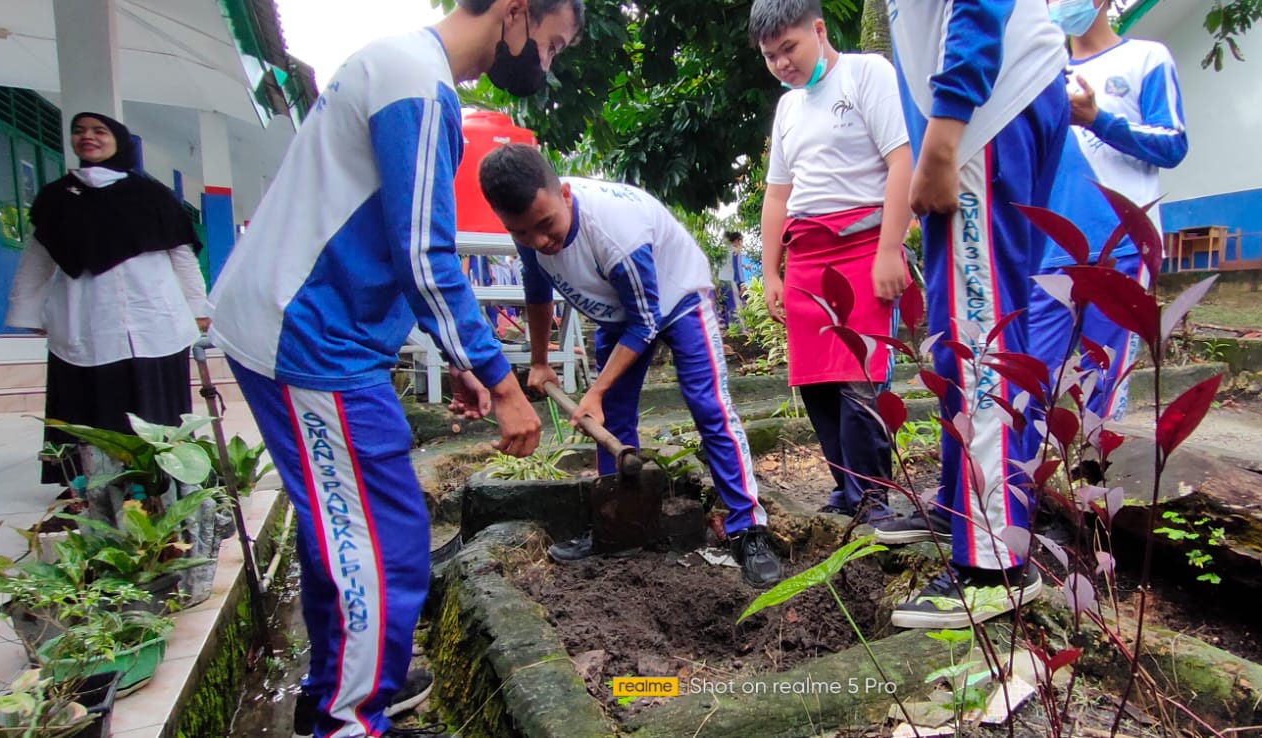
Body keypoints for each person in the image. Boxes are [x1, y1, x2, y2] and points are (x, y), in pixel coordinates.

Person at [206, 1, 582, 736]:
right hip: (310, 338)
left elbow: (379, 241)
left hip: (310, 329)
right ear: (514, 12)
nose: (547, 61)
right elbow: (424, 256)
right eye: (550, 42)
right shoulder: (417, 84)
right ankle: (350, 718)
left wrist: (461, 361)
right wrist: (503, 383)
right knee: (382, 537)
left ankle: (337, 688)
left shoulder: (402, 66)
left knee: (344, 527)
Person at [477, 143, 784, 588]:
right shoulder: (528, 233)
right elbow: (538, 291)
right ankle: (618, 526)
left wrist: (595, 390)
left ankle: (747, 530)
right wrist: (541, 362)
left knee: (708, 405)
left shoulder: (616, 232)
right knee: (613, 420)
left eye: (545, 226)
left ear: (564, 194)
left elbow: (645, 324)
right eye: (522, 233)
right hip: (618, 309)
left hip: (677, 296)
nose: (539, 241)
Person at [871, 0, 1070, 630]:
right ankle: (968, 515)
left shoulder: (968, 114)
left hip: (985, 115)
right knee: (980, 328)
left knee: (976, 334)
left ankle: (994, 565)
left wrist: (945, 131)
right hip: (1002, 102)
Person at [749, 0, 913, 523]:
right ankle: (846, 493)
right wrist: (770, 272)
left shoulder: (869, 73)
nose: (781, 64)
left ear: (818, 30)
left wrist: (890, 249)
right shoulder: (788, 108)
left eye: (789, 48)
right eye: (770, 56)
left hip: (864, 248)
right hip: (805, 258)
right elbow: (777, 196)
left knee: (860, 379)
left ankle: (873, 500)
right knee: (817, 382)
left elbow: (900, 162)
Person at [6, 112, 208, 488]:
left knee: (154, 402)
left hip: (150, 315)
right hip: (85, 317)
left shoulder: (151, 195)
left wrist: (198, 309)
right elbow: (37, 258)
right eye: (79, 131)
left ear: (118, 140)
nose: (88, 137)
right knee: (89, 403)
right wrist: (28, 310)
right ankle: (89, 485)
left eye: (99, 131)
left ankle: (162, 480)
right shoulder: (57, 198)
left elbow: (181, 255)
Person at [1029, 0, 1188, 421]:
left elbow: (1172, 144)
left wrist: (1099, 119)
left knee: (1105, 379)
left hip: (1121, 245)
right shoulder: (1041, 74)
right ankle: (1024, 485)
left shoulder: (1146, 57)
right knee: (1029, 380)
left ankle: (1097, 482)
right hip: (1048, 251)